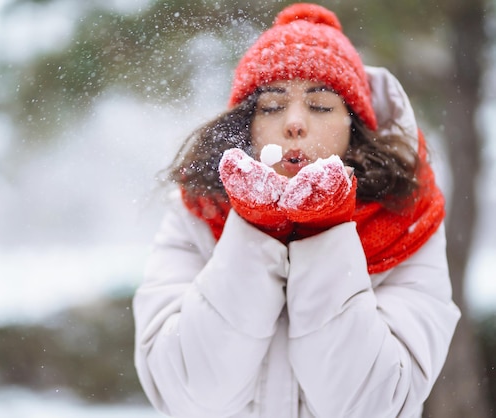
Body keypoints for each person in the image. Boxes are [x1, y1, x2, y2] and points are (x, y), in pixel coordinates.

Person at [133, 3, 460, 417]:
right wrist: (255, 231)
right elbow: (190, 396)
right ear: (247, 126)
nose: (294, 124)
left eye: (320, 106)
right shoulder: (194, 215)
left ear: (353, 127)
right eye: (271, 106)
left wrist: (323, 232)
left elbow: (372, 406)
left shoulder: (410, 221)